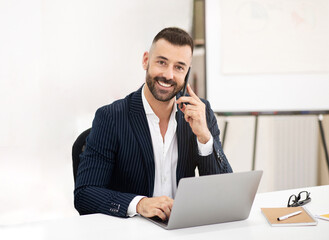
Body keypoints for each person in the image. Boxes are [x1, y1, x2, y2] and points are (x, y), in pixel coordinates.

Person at [74, 27, 232, 221]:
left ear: (186, 73)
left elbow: (224, 193)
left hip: (181, 229)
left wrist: (204, 137)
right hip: (132, 230)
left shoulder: (200, 112)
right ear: (146, 60)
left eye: (179, 67)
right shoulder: (111, 117)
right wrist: (139, 204)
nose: (168, 75)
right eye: (162, 62)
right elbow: (85, 194)